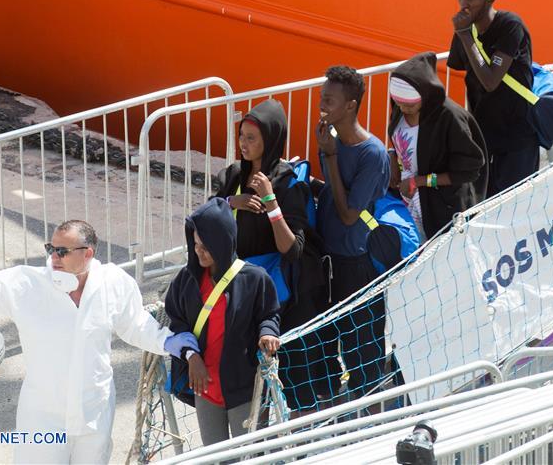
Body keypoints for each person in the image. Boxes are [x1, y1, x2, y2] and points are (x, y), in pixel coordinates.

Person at [0, 220, 195, 464]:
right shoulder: (28, 283)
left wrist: (166, 341)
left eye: (62, 251)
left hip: (94, 410)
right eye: (51, 248)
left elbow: (135, 324)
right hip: (44, 415)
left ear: (88, 253)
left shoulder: (112, 283)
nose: (54, 257)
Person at [214, 99, 327, 412]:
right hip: (237, 289)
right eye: (242, 136)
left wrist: (270, 202)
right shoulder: (232, 176)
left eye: (252, 138)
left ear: (271, 140)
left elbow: (292, 248)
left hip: (277, 296)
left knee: (286, 375)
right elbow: (204, 219)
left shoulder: (289, 184)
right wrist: (231, 202)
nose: (244, 144)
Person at [164, 198, 281, 446]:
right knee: (213, 455)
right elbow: (176, 322)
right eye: (195, 245)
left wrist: (267, 332)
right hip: (203, 387)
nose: (198, 251)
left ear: (223, 242)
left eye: (206, 246)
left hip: (244, 388)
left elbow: (269, 314)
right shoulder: (186, 280)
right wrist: (191, 356)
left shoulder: (255, 278)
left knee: (248, 457)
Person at [314, 65, 390, 400]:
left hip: (358, 266)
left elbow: (348, 215)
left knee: (365, 358)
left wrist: (330, 157)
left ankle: (372, 422)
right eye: (322, 98)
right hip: (328, 261)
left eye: (329, 100)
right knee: (328, 347)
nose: (322, 105)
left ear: (351, 105)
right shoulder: (327, 139)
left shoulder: (371, 154)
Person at [447, 0, 539, 197]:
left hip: (516, 139)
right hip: (484, 138)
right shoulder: (466, 29)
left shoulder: (510, 26)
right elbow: (460, 66)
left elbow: (490, 81)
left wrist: (466, 35)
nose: (464, 5)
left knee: (514, 209)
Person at [388, 51, 488, 240]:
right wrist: (393, 155)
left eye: (409, 106)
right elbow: (398, 135)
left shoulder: (451, 118)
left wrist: (420, 181)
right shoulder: (400, 105)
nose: (402, 109)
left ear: (426, 96)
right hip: (410, 199)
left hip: (442, 208)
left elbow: (469, 171)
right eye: (397, 103)